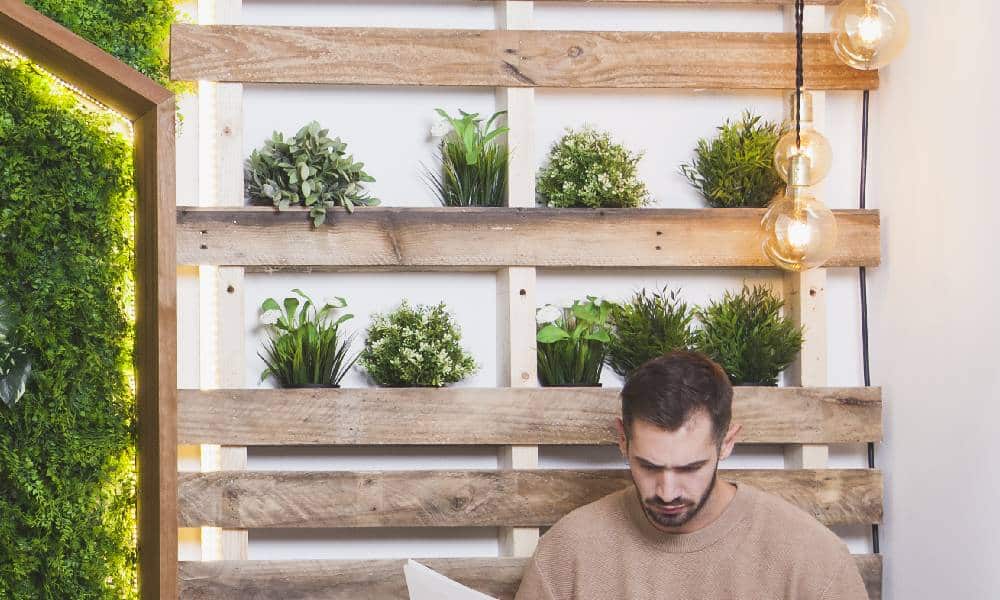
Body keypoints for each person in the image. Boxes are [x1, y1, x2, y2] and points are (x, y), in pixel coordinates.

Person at [514, 351, 868, 600]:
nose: (667, 492)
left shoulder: (810, 557)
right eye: (649, 466)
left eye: (690, 468)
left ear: (726, 442)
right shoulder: (568, 551)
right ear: (622, 440)